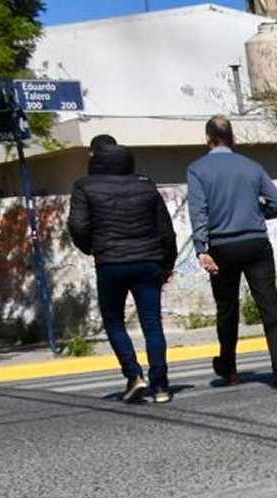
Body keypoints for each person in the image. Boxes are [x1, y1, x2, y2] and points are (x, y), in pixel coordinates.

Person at [68, 136, 177, 404]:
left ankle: (134, 375)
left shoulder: (84, 186)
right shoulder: (145, 184)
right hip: (148, 261)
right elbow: (166, 229)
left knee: (114, 320)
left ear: (94, 156)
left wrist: (93, 249)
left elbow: (78, 226)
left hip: (110, 263)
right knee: (152, 324)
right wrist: (167, 264)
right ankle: (161, 386)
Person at [186, 115, 277, 390]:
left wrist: (202, 249)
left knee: (227, 308)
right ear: (233, 138)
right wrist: (257, 213)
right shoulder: (252, 167)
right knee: (270, 306)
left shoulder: (197, 170)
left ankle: (229, 368)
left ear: (208, 138)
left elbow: (199, 213)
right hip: (256, 243)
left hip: (222, 247)